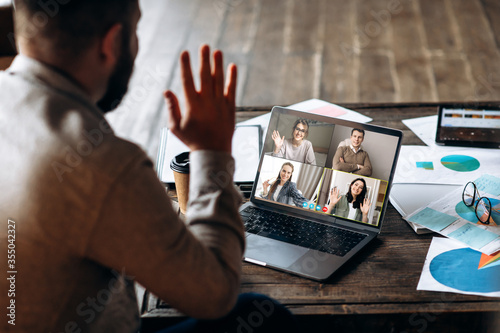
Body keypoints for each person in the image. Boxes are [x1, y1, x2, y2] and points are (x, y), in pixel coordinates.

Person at [0, 1, 298, 332]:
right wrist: (211, 151)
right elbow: (213, 294)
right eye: (136, 30)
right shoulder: (104, 166)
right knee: (262, 315)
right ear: (111, 43)